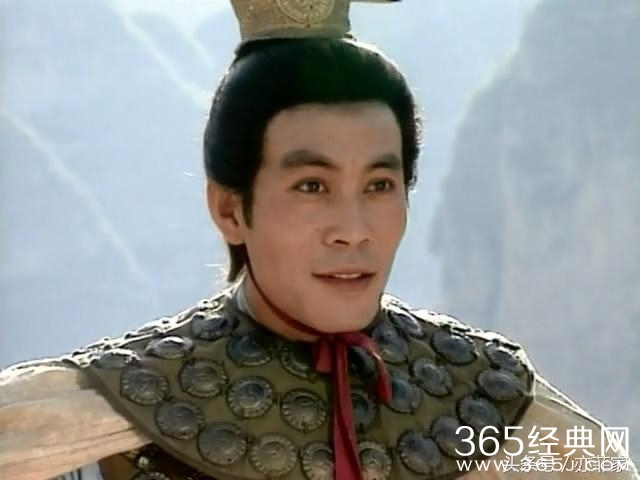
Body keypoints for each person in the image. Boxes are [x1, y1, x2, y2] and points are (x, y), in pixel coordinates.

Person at [0, 1, 637, 479]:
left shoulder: (497, 406)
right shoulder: (95, 419)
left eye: (380, 185)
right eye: (312, 186)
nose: (353, 229)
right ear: (229, 208)